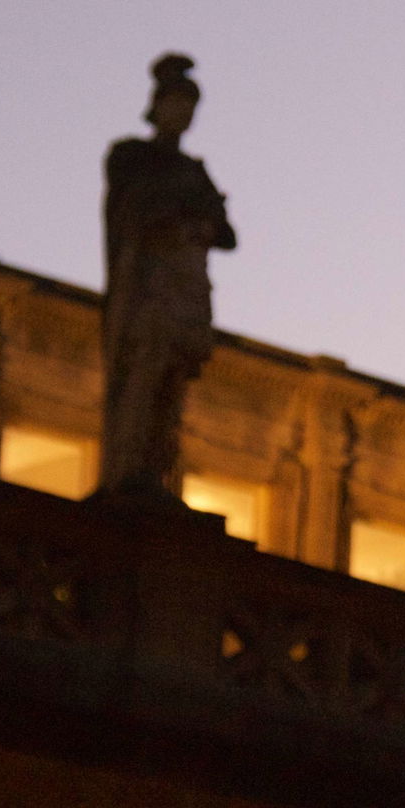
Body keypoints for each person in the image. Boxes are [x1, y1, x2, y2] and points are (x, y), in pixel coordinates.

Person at [95, 53, 236, 501]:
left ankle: (156, 470)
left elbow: (228, 234)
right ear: (158, 106)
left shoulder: (194, 170)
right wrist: (184, 214)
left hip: (187, 286)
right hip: (148, 283)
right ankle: (131, 467)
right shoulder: (131, 154)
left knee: (174, 380)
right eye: (177, 104)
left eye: (191, 107)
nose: (184, 114)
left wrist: (200, 219)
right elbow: (132, 212)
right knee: (144, 370)